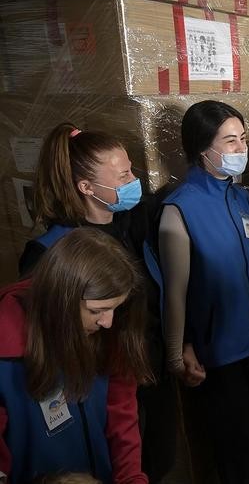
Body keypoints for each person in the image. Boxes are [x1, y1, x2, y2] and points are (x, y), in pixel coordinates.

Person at [18, 123, 176, 483]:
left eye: (132, 169)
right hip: (98, 392)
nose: (134, 180)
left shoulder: (130, 225)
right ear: (86, 187)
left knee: (156, 458)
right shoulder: (51, 253)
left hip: (149, 371)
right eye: (123, 176)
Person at [158, 100, 249, 484]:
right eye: (230, 141)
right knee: (234, 447)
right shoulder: (179, 209)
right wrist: (176, 356)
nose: (242, 149)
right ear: (202, 148)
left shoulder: (239, 196)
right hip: (218, 353)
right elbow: (174, 291)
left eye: (243, 139)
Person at [0, 228, 151, 484]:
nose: (108, 322)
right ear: (61, 301)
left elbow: (121, 417)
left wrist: (131, 478)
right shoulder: (6, 355)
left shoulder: (108, 330)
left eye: (116, 308)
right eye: (97, 311)